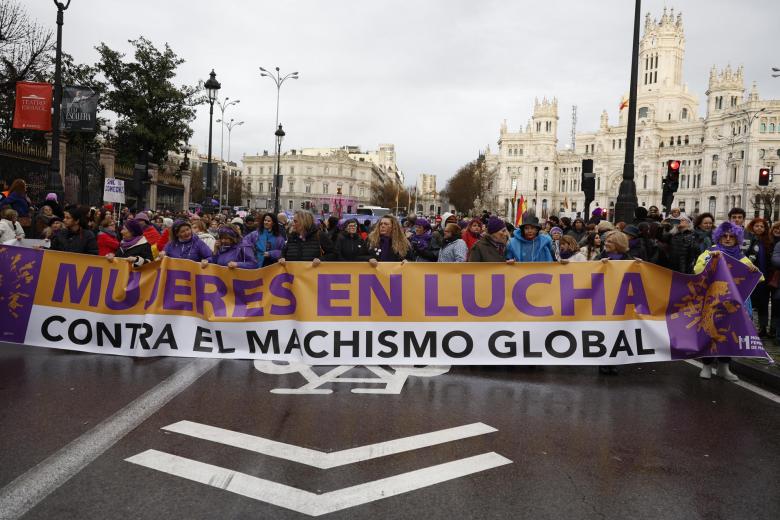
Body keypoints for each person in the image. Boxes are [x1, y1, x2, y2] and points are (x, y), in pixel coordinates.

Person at [694, 221, 761, 381]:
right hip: (713, 303)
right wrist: (712, 261)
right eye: (725, 236)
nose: (728, 239)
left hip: (734, 304)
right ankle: (707, 365)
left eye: (732, 236)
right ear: (719, 237)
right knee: (710, 331)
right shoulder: (710, 252)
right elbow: (697, 270)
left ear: (737, 238)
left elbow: (757, 278)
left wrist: (753, 271)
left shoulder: (742, 257)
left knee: (731, 333)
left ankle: (724, 367)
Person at [746, 218, 773, 337]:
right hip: (750, 276)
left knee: (763, 303)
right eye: (756, 226)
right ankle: (748, 327)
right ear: (752, 227)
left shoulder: (768, 242)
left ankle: (763, 327)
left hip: (764, 277)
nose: (759, 228)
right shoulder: (748, 240)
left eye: (762, 226)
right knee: (750, 303)